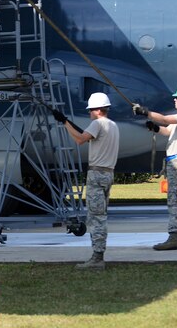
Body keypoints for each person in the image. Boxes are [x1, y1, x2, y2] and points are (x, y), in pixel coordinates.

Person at [53, 92, 119, 270]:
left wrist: (64, 122)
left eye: (91, 110)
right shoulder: (113, 125)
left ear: (98, 110)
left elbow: (80, 139)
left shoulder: (97, 124)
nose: (89, 113)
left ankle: (97, 258)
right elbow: (89, 137)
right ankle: (99, 254)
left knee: (96, 217)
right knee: (101, 215)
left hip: (96, 175)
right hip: (108, 174)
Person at [133, 84, 177, 251]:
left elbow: (165, 119)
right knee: (173, 200)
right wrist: (154, 128)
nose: (175, 99)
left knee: (176, 200)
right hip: (175, 162)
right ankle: (175, 236)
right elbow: (167, 131)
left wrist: (146, 112)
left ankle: (174, 237)